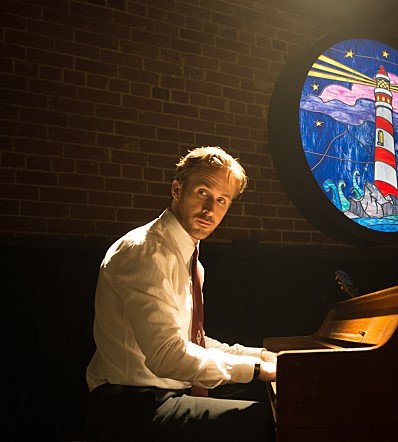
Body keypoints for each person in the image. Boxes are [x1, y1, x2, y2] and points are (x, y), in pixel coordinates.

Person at [86, 146, 276, 441]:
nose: (210, 209)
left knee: (271, 405)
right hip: (129, 406)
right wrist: (258, 369)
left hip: (161, 394)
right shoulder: (146, 252)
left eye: (222, 200)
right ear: (177, 190)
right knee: (268, 421)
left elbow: (191, 341)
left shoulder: (190, 261)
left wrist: (264, 356)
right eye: (203, 192)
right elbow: (167, 355)